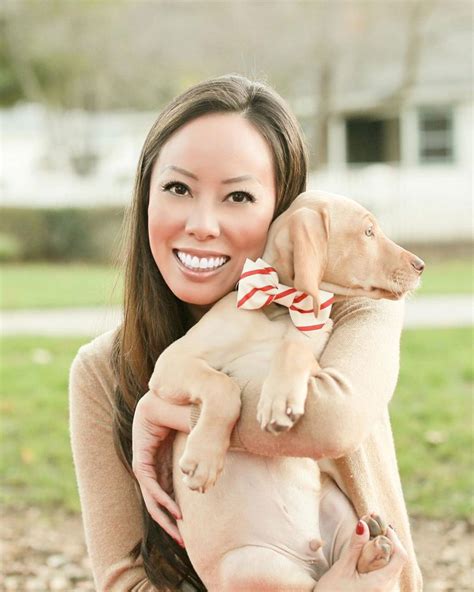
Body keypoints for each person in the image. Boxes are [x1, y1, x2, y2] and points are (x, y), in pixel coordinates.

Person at [69, 73, 422, 591]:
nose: (203, 223)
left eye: (237, 196)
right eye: (177, 188)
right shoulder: (103, 369)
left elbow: (326, 421)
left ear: (284, 211)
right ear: (145, 196)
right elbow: (125, 581)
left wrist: (164, 409)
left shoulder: (351, 304)